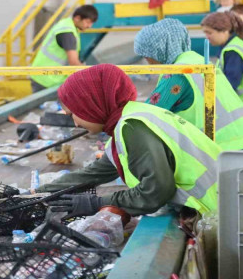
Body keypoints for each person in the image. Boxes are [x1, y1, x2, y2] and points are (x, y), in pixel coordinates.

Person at [39, 64, 221, 217]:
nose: (76, 123)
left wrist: (97, 203)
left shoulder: (132, 128)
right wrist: (39, 193)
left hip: (214, 210)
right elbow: (92, 174)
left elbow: (156, 192)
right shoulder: (132, 118)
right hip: (216, 203)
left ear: (91, 104)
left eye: (74, 114)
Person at [134, 18, 243, 150]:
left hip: (230, 150)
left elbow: (148, 114)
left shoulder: (177, 73)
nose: (147, 61)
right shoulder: (198, 61)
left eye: (146, 55)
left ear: (159, 50)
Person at [30, 5, 98, 92]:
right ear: (77, 18)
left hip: (45, 75)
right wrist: (92, 75)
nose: (89, 26)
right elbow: (73, 62)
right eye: (87, 22)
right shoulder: (67, 33)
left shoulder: (67, 25)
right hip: (46, 78)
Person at [201, 12, 243, 106]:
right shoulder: (238, 42)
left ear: (225, 31)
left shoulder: (233, 51)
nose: (207, 37)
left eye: (209, 33)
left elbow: (229, 85)